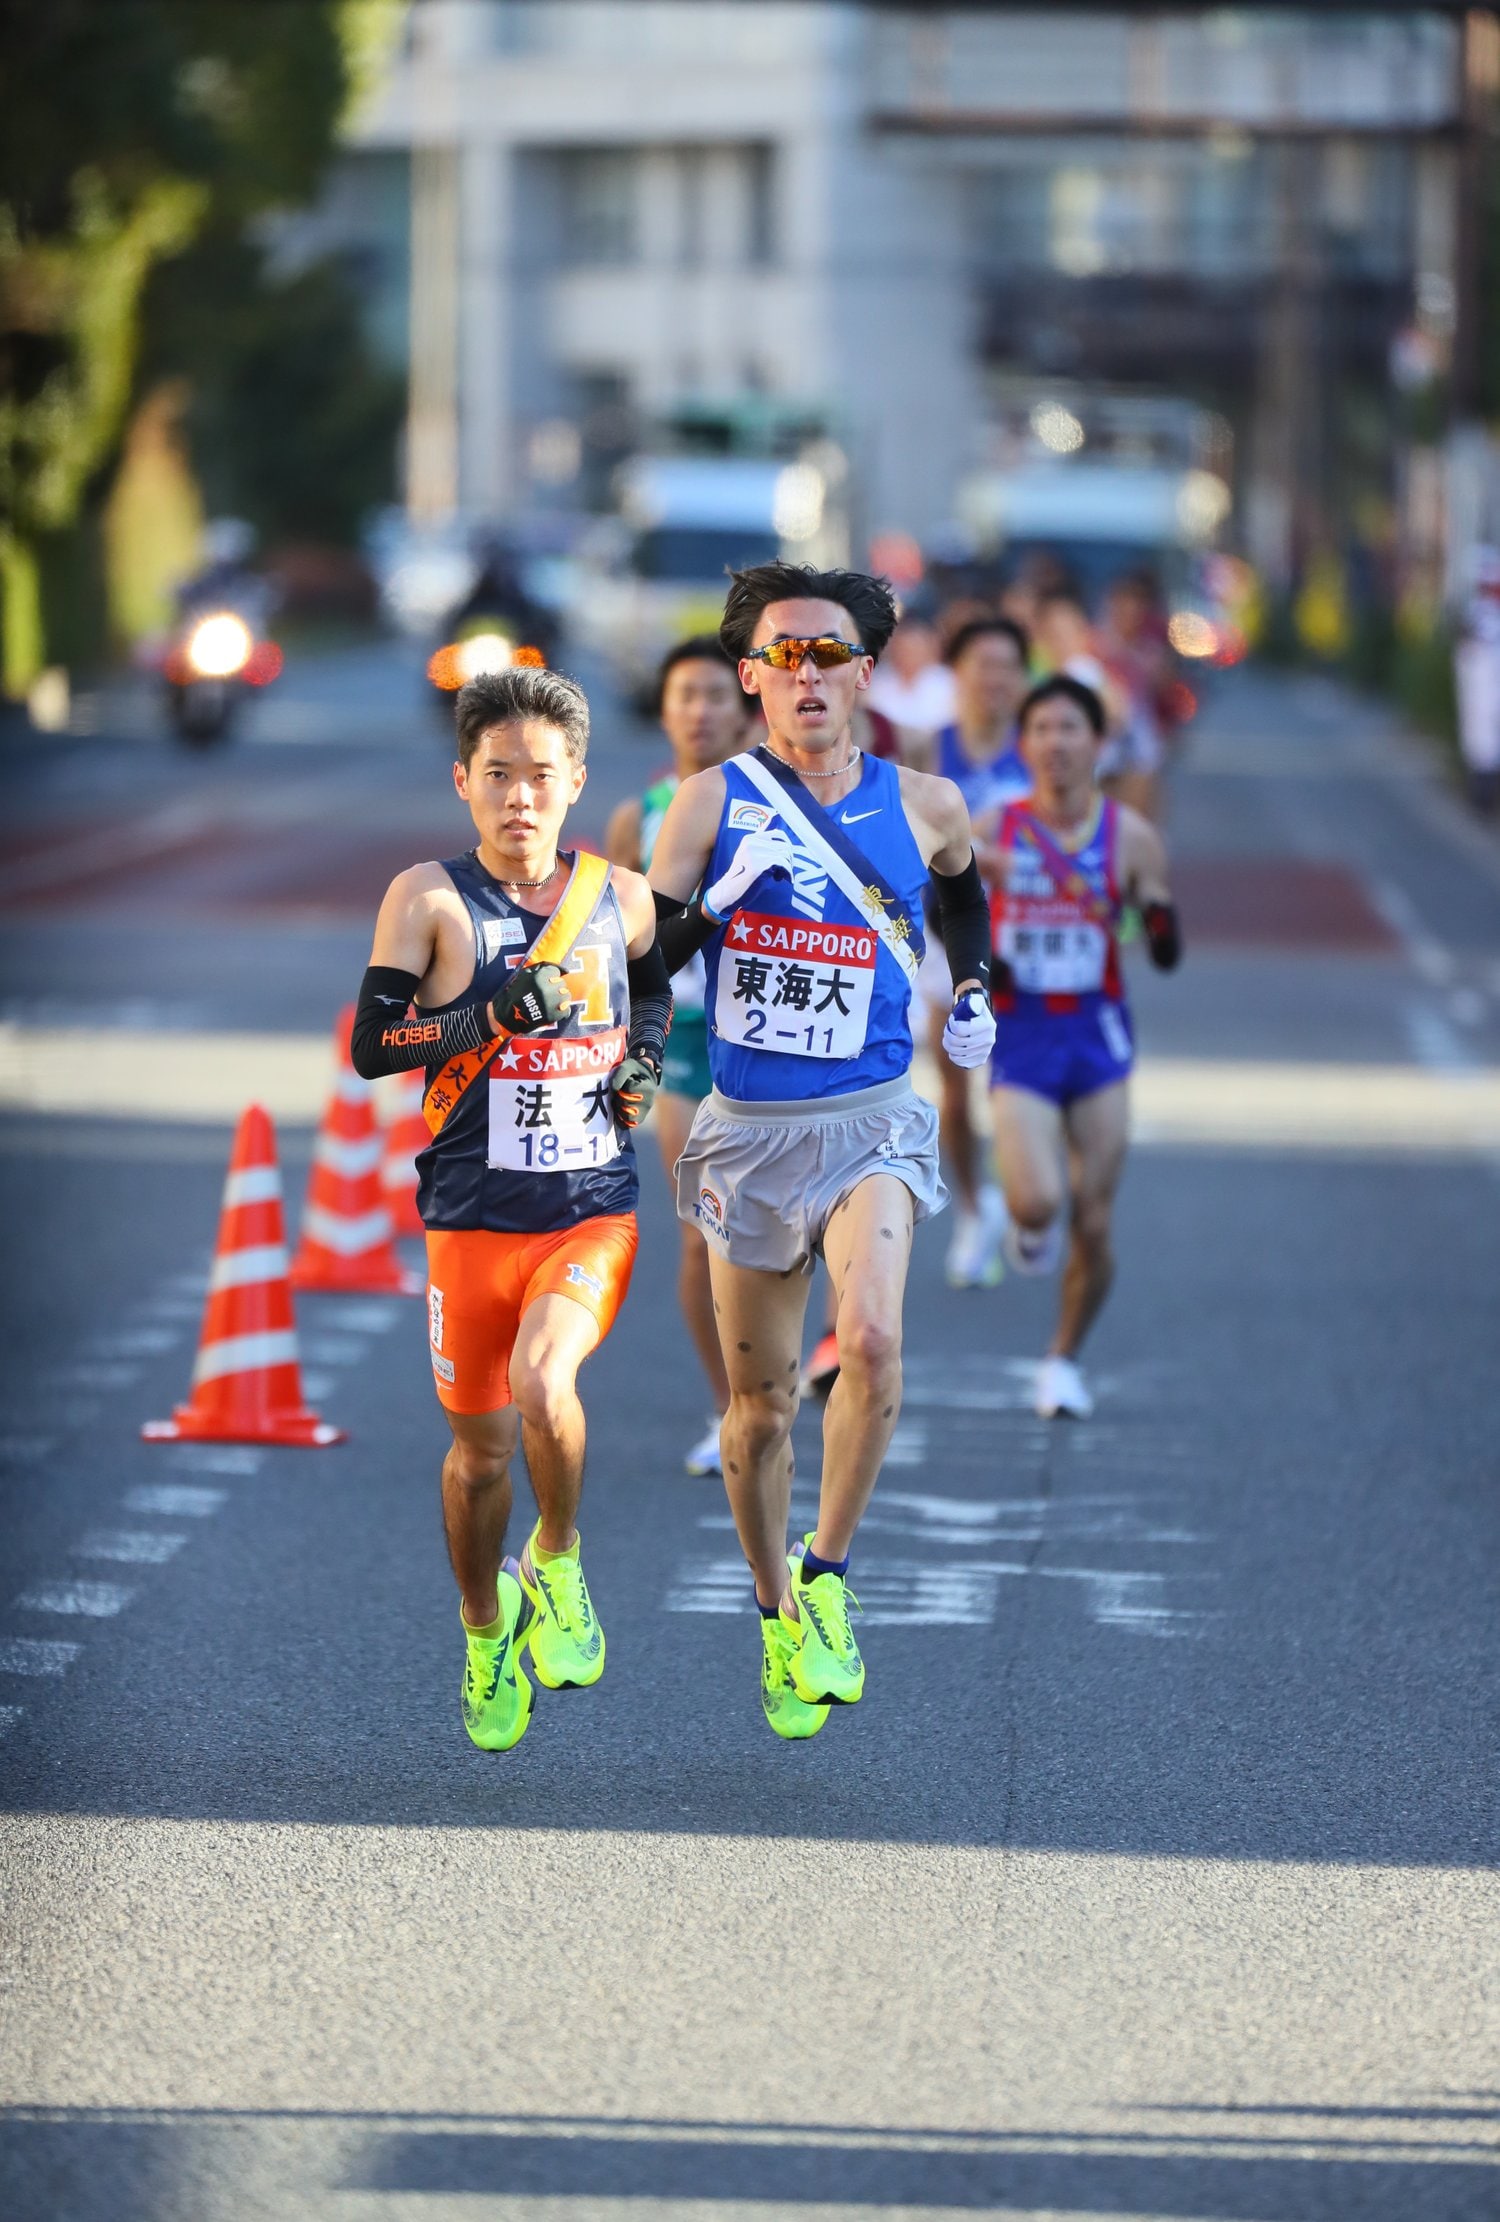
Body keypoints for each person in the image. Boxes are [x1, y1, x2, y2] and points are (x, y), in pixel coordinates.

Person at [647, 560, 995, 1739]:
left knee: (879, 1338)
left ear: (867, 671)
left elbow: (962, 892)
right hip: (750, 1134)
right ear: (751, 675)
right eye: (783, 655)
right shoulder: (705, 805)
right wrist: (712, 906)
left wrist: (981, 982)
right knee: (760, 1411)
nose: (807, 675)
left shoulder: (929, 800)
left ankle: (831, 1577)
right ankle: (773, 1604)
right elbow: (639, 968)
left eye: (830, 653)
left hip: (876, 1117)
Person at [349, 665, 670, 1753]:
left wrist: (647, 1069)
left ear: (577, 780)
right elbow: (370, 1048)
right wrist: (484, 1016)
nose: (520, 796)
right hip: (469, 1218)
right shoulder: (426, 899)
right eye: (498, 775)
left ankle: (561, 1555)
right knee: (480, 1455)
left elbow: (657, 985)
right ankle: (485, 1624)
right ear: (463, 782)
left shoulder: (621, 894)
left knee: (547, 1377)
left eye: (541, 775)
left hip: (590, 1207)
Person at [987, 675, 1180, 1420]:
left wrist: (1157, 922)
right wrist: (980, 950)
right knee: (1038, 1202)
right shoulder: (989, 828)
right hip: (1023, 1030)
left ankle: (1062, 1358)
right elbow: (944, 919)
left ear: (1098, 745)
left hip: (1097, 1030)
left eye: (1072, 729)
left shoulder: (1130, 836)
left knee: (1094, 1219)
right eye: (1041, 729)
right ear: (1024, 744)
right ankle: (1029, 1225)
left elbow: (1163, 946)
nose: (1056, 743)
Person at [604, 636, 742, 1475]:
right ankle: (729, 1405)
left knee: (790, 1233)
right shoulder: (638, 815)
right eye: (684, 693)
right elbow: (614, 942)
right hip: (685, 1039)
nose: (699, 709)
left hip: (770, 1032)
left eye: (716, 694)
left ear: (744, 705)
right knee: (701, 1234)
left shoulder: (782, 800)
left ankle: (804, 1363)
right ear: (664, 709)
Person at [919, 616, 1033, 1288]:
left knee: (1020, 1086)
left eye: (1007, 666)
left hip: (1026, 939)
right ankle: (973, 1206)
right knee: (956, 1093)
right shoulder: (928, 749)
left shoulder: (1042, 748)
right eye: (980, 665)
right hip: (949, 934)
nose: (994, 679)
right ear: (955, 674)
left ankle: (1027, 1201)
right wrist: (981, 857)